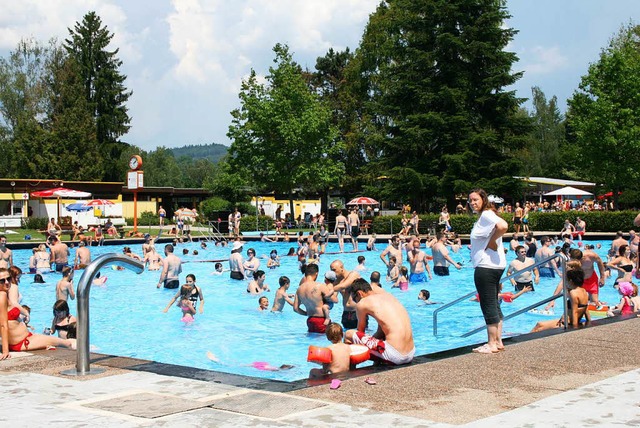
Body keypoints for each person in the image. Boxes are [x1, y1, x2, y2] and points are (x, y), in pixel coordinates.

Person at [0, 268, 75, 357]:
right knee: (67, 344)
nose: (7, 282)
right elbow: (3, 325)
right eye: (2, 281)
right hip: (23, 342)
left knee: (59, 342)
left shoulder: (5, 294)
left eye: (8, 279)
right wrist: (5, 351)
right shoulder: (2, 295)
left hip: (26, 338)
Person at [468, 188, 508, 354]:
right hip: (495, 265)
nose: (472, 203)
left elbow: (503, 226)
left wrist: (491, 241)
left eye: (475, 200)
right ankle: (498, 341)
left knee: (488, 303)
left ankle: (491, 343)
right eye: (470, 201)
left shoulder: (486, 214)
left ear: (483, 199)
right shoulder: (485, 216)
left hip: (486, 267)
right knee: (493, 302)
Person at [345, 279, 415, 365]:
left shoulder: (362, 303)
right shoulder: (388, 296)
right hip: (410, 353)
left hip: (395, 355)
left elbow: (360, 333)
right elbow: (380, 332)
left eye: (355, 299)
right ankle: (377, 364)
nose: (356, 302)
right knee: (380, 338)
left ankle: (350, 373)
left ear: (359, 294)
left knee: (348, 334)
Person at [531, 268, 590, 332]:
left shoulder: (573, 293)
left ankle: (523, 341)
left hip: (566, 324)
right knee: (540, 325)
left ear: (570, 281)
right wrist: (589, 322)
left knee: (538, 326)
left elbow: (575, 312)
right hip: (566, 322)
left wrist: (574, 329)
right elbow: (586, 308)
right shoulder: (584, 291)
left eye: (565, 280)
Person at [293, 263, 333, 333]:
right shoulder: (320, 286)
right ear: (316, 274)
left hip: (310, 320)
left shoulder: (299, 289)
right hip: (322, 320)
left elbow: (295, 308)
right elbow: (334, 300)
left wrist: (306, 313)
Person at [330, 259, 362, 330]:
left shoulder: (353, 274)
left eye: (334, 270)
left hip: (357, 312)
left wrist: (328, 289)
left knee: (360, 336)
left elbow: (344, 285)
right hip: (346, 313)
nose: (332, 273)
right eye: (331, 270)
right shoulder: (337, 281)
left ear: (341, 268)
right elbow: (334, 298)